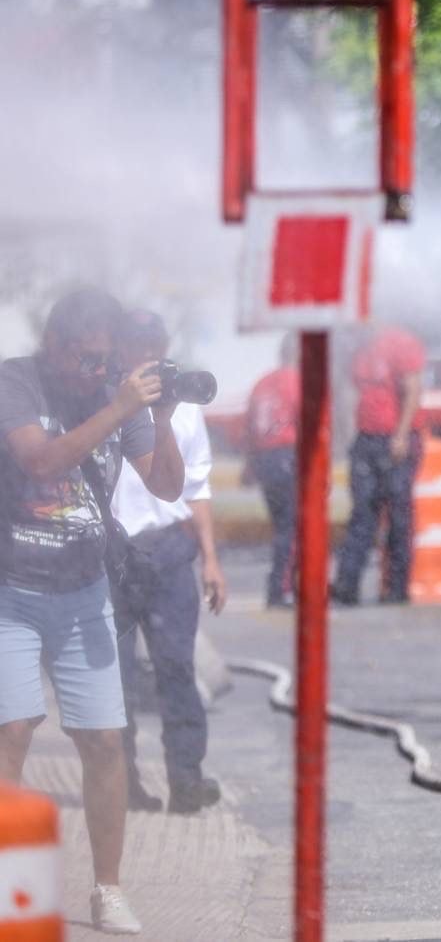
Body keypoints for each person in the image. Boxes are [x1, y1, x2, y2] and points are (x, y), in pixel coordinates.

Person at [0, 288, 184, 935]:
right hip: (11, 589)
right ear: (54, 345)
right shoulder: (17, 382)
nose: (96, 371)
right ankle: (10, 886)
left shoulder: (115, 394)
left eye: (105, 360)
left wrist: (160, 417)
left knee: (105, 741)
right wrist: (119, 406)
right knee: (12, 729)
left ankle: (108, 888)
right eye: (85, 359)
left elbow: (166, 485)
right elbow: (40, 459)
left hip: (84, 592)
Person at [110, 310, 226, 816]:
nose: (148, 356)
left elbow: (197, 488)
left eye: (154, 345)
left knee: (177, 668)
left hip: (169, 551)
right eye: (137, 346)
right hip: (113, 554)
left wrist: (211, 560)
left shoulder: (182, 407)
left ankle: (186, 780)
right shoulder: (106, 401)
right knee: (115, 680)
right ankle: (123, 785)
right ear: (120, 350)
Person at [331, 324, 425, 606]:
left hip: (394, 437)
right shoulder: (359, 348)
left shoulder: (400, 343)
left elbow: (412, 390)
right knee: (362, 514)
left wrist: (401, 434)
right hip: (367, 438)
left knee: (398, 516)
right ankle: (347, 584)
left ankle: (397, 587)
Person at [243, 335, 300, 608]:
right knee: (292, 526)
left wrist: (250, 463)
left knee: (282, 526)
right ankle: (282, 587)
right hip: (287, 454)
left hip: (266, 457)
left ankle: (284, 584)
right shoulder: (296, 381)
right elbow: (306, 421)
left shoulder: (263, 383)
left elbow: (249, 427)